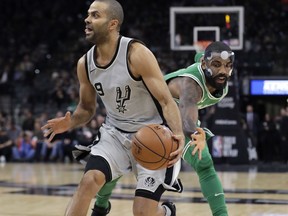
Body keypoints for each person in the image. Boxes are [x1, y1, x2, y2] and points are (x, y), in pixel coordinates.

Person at [41, 0, 198, 215]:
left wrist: (178, 133)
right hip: (114, 134)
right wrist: (71, 121)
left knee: (142, 213)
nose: (87, 19)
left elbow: (166, 101)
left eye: (95, 15)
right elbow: (87, 108)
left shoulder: (136, 53)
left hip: (152, 133)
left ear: (112, 24)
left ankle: (166, 212)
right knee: (88, 182)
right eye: (88, 14)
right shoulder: (84, 64)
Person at [84, 41, 232, 216]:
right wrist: (196, 134)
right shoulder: (192, 86)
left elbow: (199, 56)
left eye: (228, 66)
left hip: (173, 111)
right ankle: (101, 206)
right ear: (204, 64)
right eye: (216, 65)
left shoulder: (215, 73)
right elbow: (186, 121)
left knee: (204, 163)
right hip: (152, 112)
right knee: (118, 159)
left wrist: (200, 51)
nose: (223, 70)